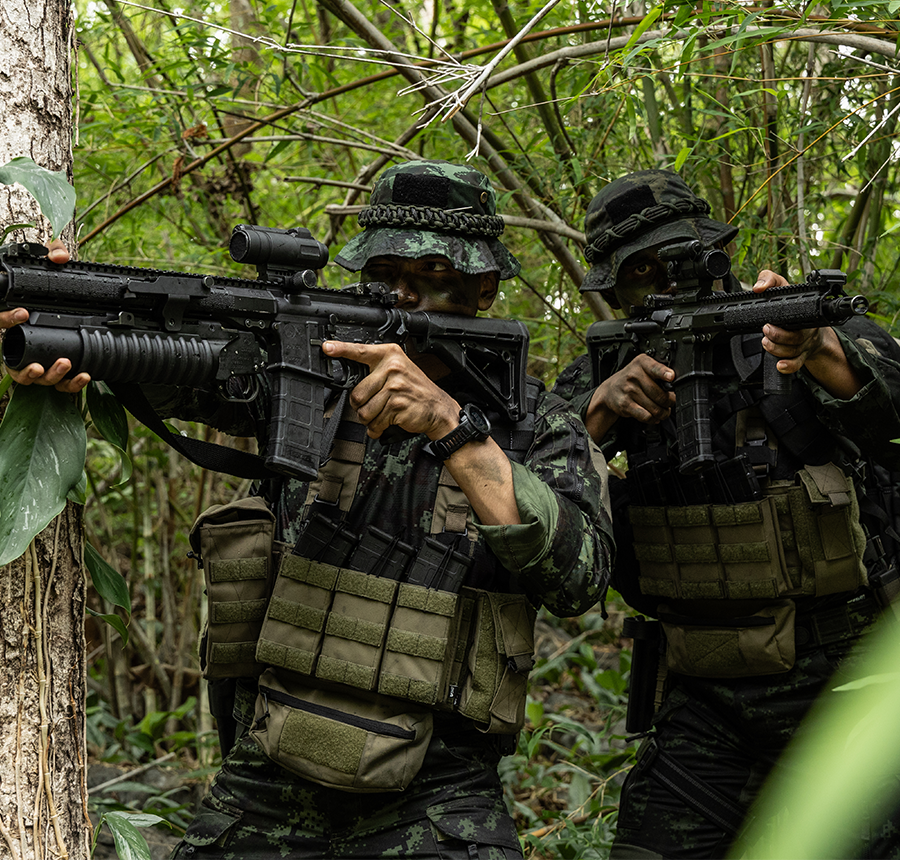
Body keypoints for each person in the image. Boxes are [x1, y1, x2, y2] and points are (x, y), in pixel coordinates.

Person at [3, 160, 614, 859]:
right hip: (268, 776)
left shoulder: (538, 426)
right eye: (384, 273)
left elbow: (581, 578)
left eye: (432, 275)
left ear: (485, 287)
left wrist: (452, 428)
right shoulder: (314, 370)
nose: (403, 294)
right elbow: (181, 366)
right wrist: (66, 314)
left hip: (439, 793)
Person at [552, 169, 900, 859]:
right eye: (639, 272)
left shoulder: (797, 326)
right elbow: (525, 481)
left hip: (848, 680)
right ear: (615, 291)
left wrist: (820, 351)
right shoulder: (607, 367)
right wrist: (601, 407)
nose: (665, 280)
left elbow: (890, 411)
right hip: (706, 694)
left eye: (678, 258)